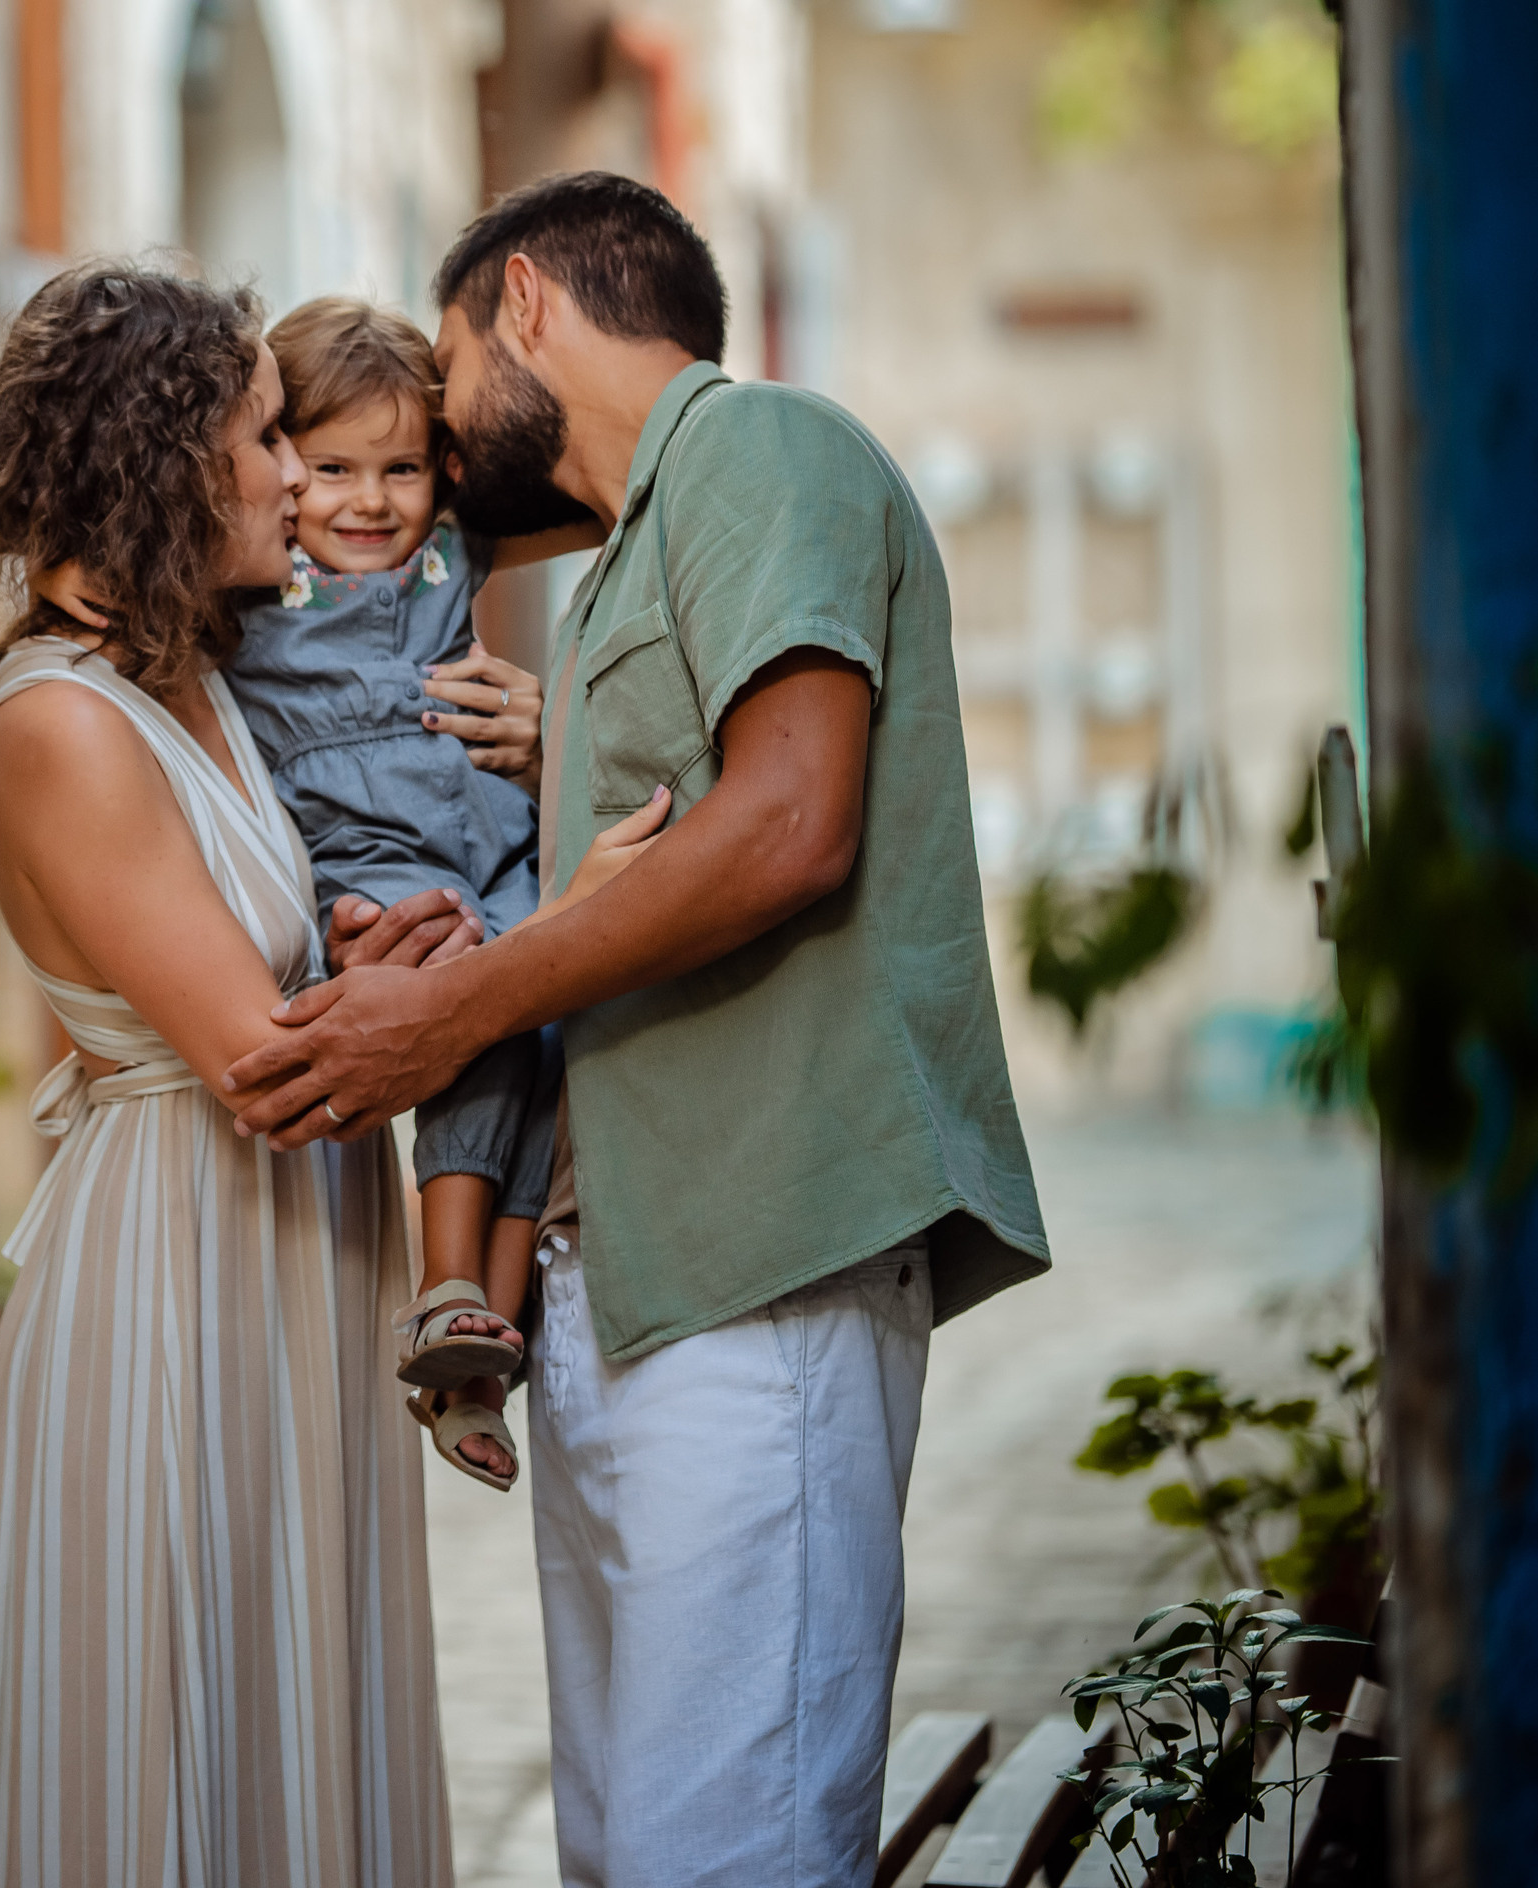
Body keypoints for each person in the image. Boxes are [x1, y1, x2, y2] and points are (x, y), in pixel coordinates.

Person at [222, 174, 1052, 1888]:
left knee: (718, 1850)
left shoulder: (759, 450)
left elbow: (787, 826)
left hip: (763, 1253)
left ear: (524, 306)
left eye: (444, 380)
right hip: (618, 1271)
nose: (437, 446)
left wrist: (446, 1005)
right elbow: (653, 807)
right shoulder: (626, 562)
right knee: (630, 1849)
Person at [0, 262, 455, 1888]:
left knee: (291, 1719)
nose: (297, 478)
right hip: (173, 1275)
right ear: (166, 460)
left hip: (293, 1266)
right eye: (263, 439)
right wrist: (547, 941)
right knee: (174, 1735)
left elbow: (281, 989)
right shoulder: (60, 724)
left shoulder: (208, 685)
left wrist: (378, 959)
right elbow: (262, 1066)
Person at [223, 296, 616, 1494]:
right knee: (482, 1016)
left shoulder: (449, 537)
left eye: (400, 467)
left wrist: (470, 408)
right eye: (332, 465)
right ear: (283, 460)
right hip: (376, 864)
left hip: (492, 839)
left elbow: (602, 485)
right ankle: (449, 1282)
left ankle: (473, 1358)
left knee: (553, 1040)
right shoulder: (252, 569)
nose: (367, 499)